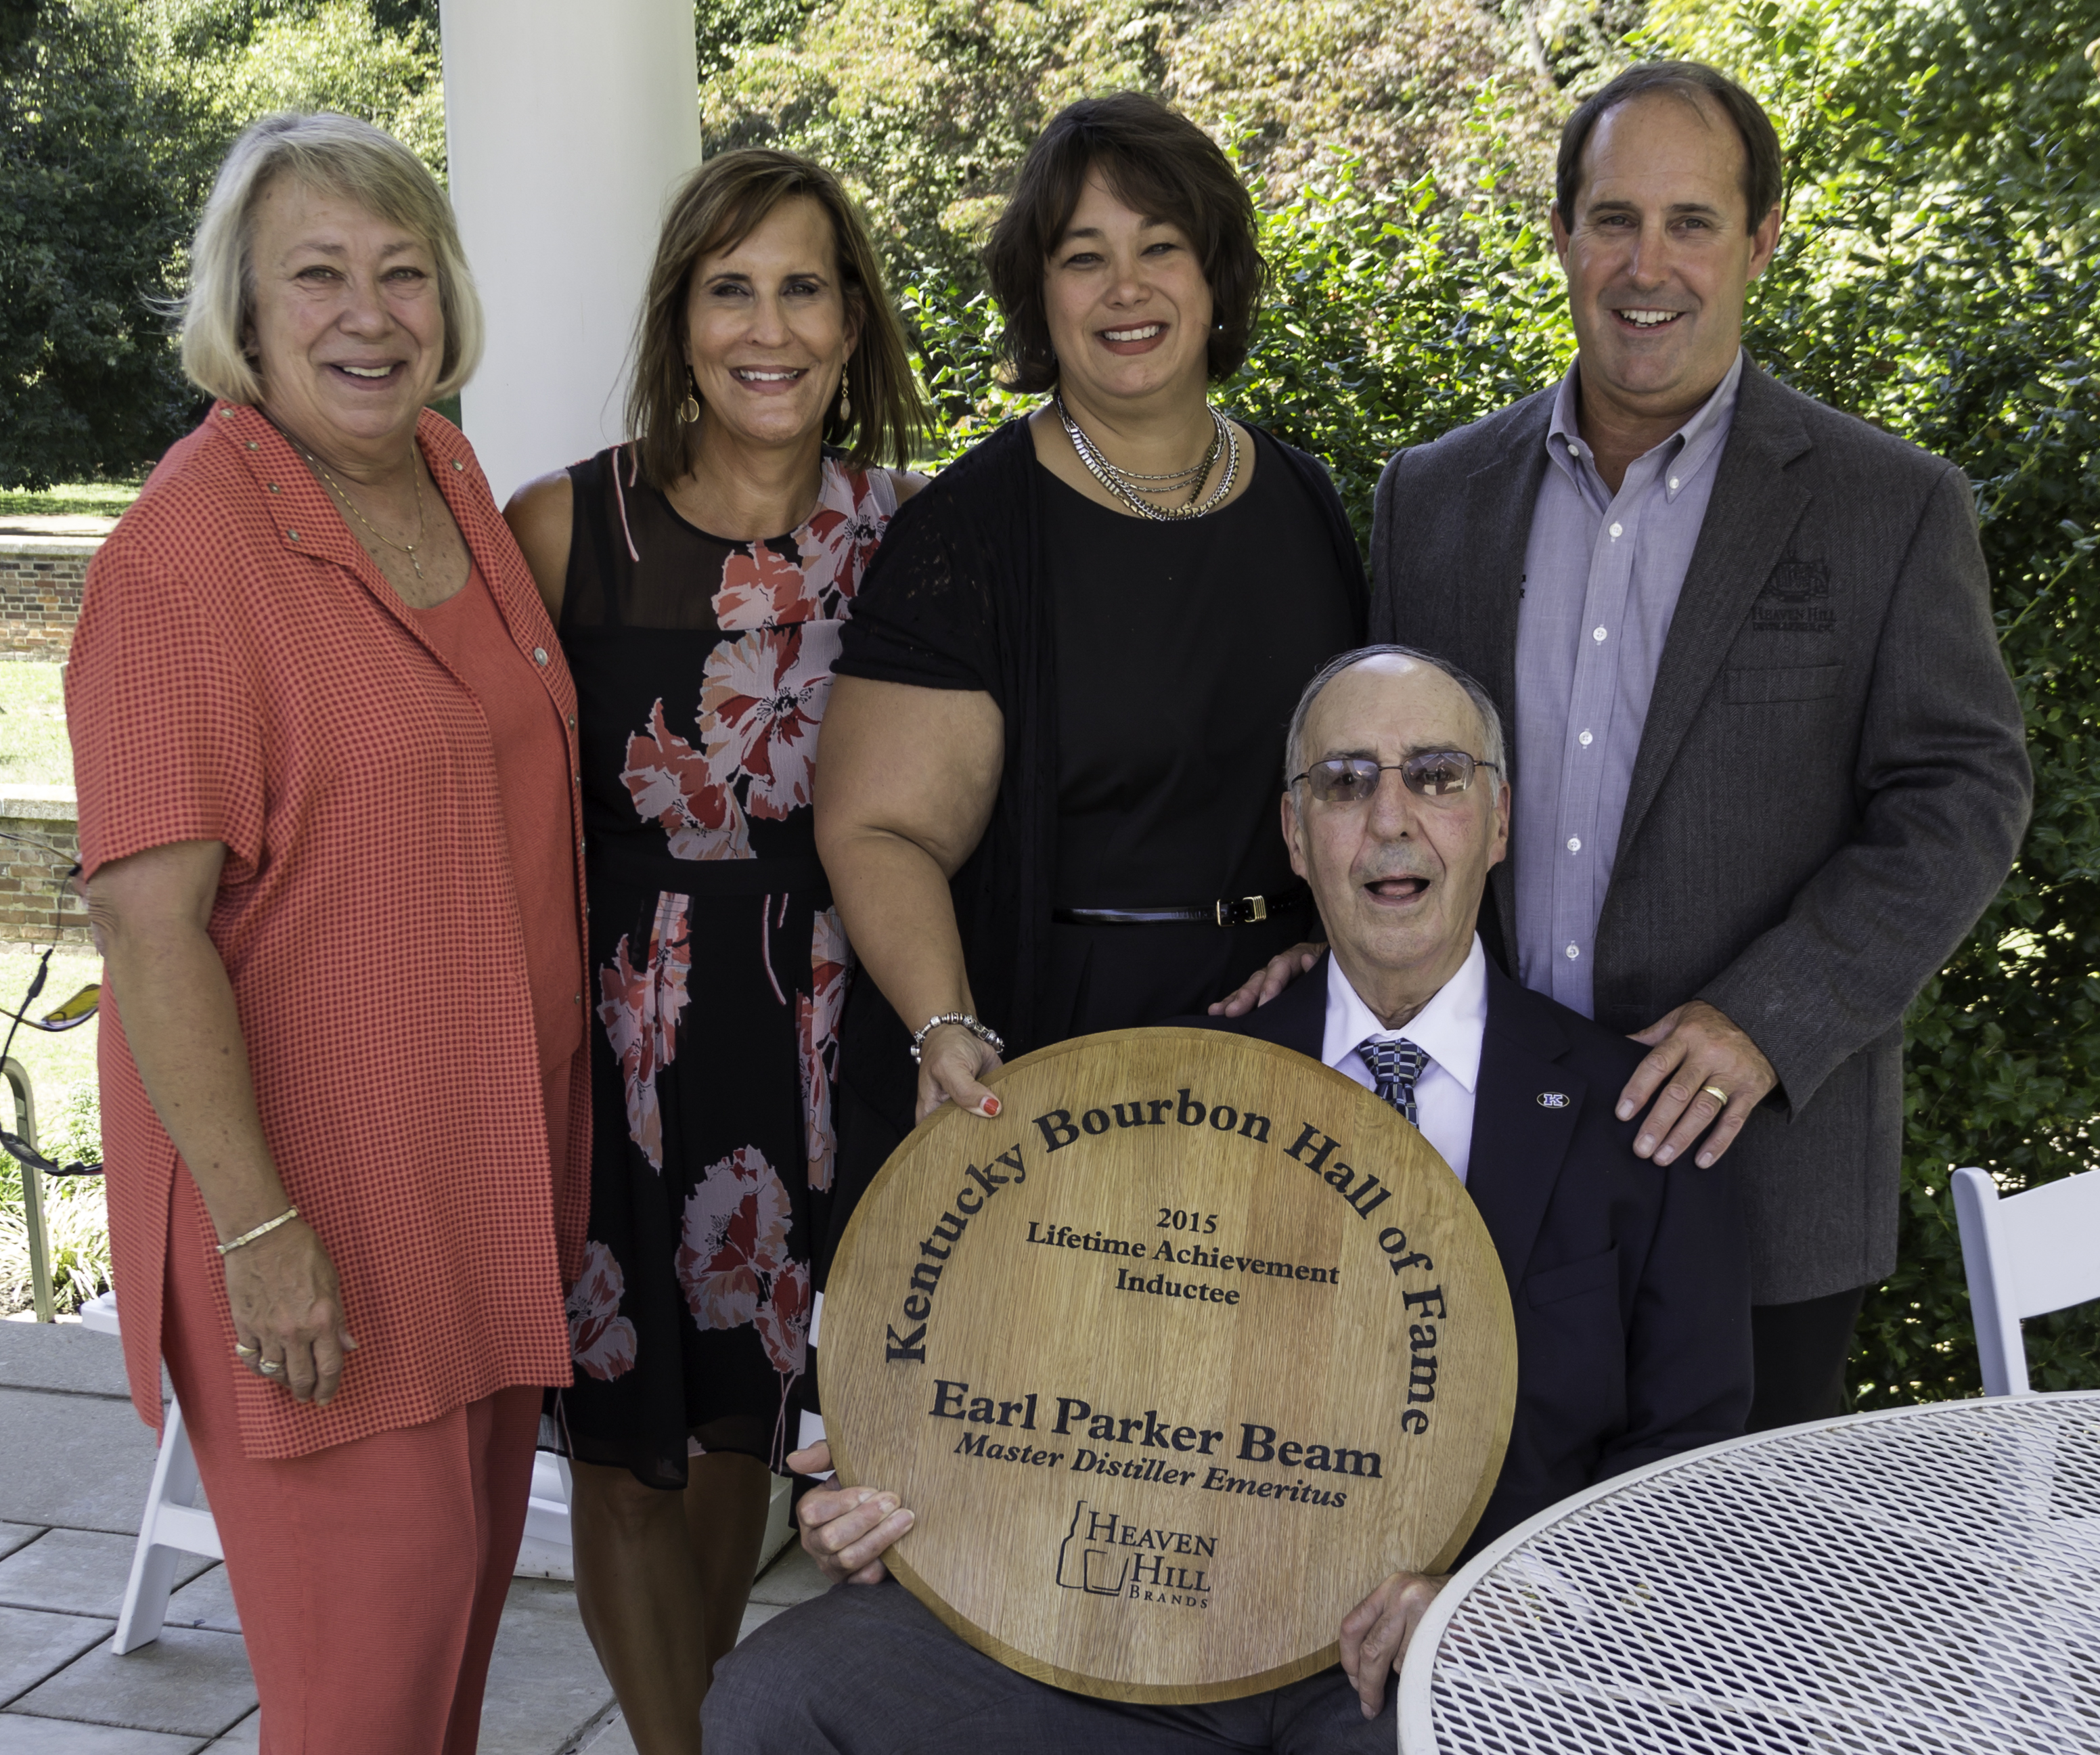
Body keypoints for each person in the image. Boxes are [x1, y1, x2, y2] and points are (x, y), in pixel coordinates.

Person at [702, 646, 1750, 1752]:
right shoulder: (1164, 1086)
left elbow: (1690, 1467)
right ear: (1297, 836)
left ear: (1497, 819)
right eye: (1345, 782)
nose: (1391, 817)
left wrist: (1501, 1604)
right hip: (1130, 1643)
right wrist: (898, 1501)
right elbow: (1038, 1374)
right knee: (779, 1696)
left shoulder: (1639, 1121)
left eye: (1437, 776)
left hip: (1423, 1668)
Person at [1366, 62, 2031, 1427]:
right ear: (1557, 238)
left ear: (1759, 240)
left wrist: (1765, 1021)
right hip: (1475, 1165)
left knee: (1727, 1610)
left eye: (1689, 221)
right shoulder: (1432, 501)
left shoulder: (1884, 505)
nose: (1644, 264)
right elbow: (1379, 792)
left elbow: (1960, 793)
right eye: (1611, 219)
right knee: (1471, 1596)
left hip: (1751, 1168)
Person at [66, 113, 585, 1754]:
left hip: (485, 1170)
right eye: (318, 276)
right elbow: (152, 929)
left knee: (448, 1636)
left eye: (402, 272)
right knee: (363, 1684)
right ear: (243, 303)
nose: (370, 313)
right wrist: (254, 1230)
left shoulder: (438, 470)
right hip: (313, 1205)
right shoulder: (184, 556)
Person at [501, 150, 925, 1753]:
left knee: (746, 1429)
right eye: (728, 288)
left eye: (801, 287)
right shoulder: (565, 528)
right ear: (679, 321)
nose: (766, 325)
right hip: (621, 1029)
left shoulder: (907, 535)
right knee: (622, 1438)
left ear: (850, 321)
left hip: (821, 1026)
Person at [814, 92, 1364, 1266]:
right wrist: (943, 1025)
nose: (1128, 289)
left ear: (1215, 275)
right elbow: (880, 828)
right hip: (1051, 1051)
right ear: (1039, 296)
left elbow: (1362, 789)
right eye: (1084, 257)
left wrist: (1338, 942)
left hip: (1279, 1052)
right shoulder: (969, 536)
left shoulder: (1304, 504)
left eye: (1161, 246)